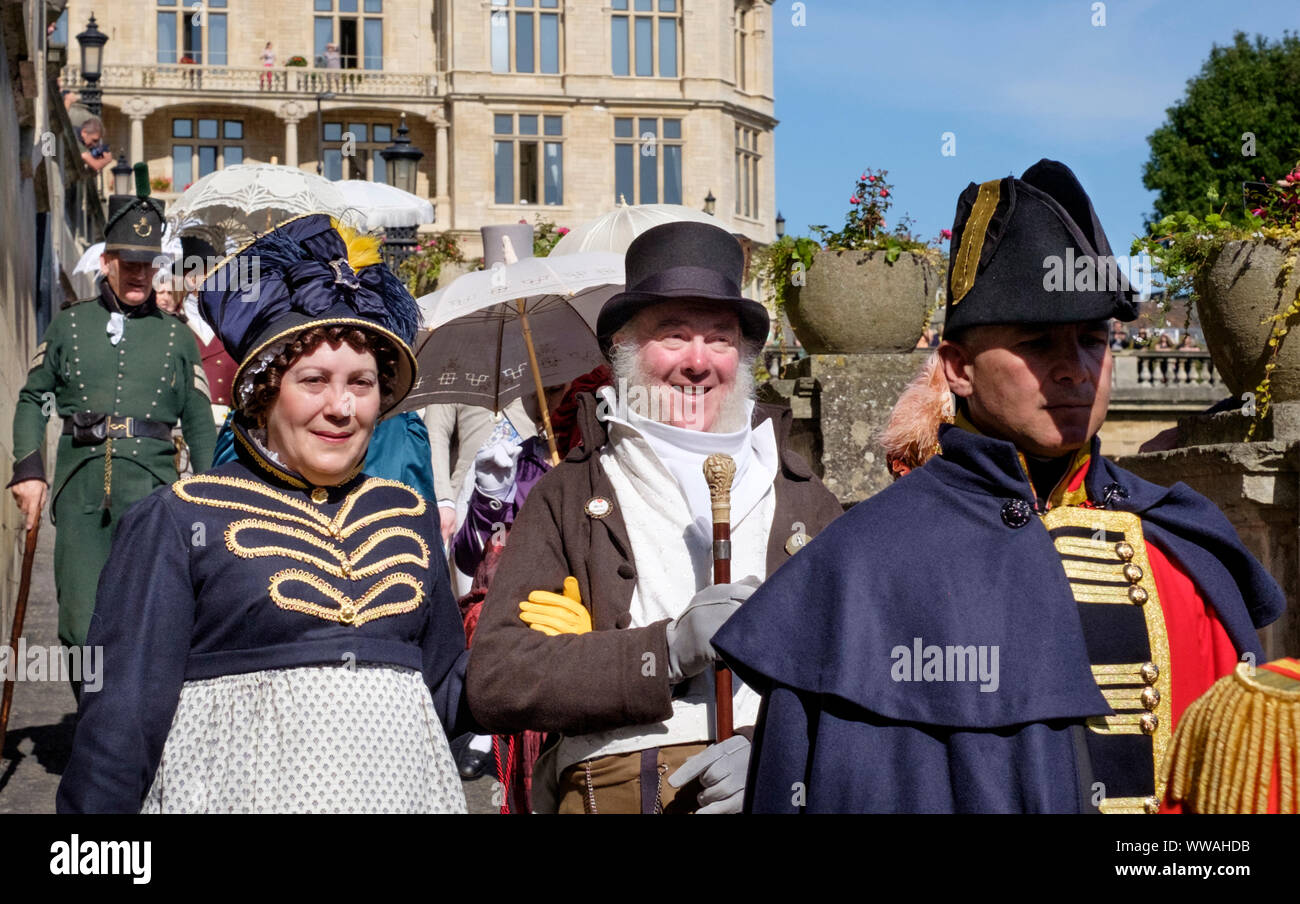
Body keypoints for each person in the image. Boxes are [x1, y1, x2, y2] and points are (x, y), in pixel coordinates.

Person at [714, 159, 1286, 814]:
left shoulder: (1183, 549)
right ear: (957, 369)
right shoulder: (863, 567)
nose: (1075, 370)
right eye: (1039, 344)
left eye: (1093, 340)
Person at [57, 213, 471, 813]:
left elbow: (446, 694)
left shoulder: (407, 513)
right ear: (263, 390)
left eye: (361, 382)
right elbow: (122, 723)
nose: (341, 406)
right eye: (313, 380)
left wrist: (542, 660)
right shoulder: (179, 521)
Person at [466, 221, 844, 813]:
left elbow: (858, 673)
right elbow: (498, 681)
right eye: (673, 336)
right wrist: (659, 654)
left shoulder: (801, 496)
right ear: (624, 350)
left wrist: (779, 755)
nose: (698, 362)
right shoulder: (571, 495)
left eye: (720, 339)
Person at [8, 170, 215, 665]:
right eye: (129, 262)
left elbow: (200, 420)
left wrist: (206, 492)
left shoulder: (176, 336)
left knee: (146, 621)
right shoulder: (69, 324)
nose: (140, 273)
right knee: (79, 625)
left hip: (153, 493)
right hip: (79, 494)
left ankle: (126, 733)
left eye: (148, 263)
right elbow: (32, 399)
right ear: (106, 262)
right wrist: (29, 470)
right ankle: (93, 724)